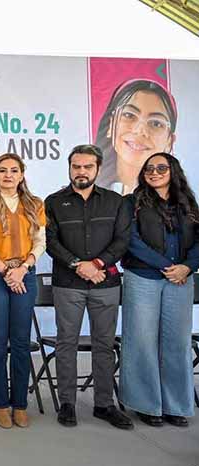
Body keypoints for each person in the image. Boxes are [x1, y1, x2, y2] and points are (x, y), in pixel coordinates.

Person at [45, 144, 133, 430]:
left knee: (104, 345)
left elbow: (122, 240)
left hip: (105, 283)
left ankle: (104, 404)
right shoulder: (53, 202)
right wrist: (77, 265)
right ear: (69, 168)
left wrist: (95, 264)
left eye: (87, 166)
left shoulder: (115, 201)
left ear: (98, 168)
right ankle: (67, 403)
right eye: (76, 166)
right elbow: (50, 242)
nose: (81, 171)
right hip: (68, 283)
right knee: (66, 343)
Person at [120, 152, 198, 428]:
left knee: (177, 343)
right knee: (141, 341)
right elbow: (130, 240)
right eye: (149, 168)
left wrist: (187, 267)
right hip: (143, 277)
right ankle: (147, 405)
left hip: (181, 280)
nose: (154, 172)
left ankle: (175, 405)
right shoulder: (132, 202)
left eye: (161, 168)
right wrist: (168, 266)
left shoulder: (187, 203)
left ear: (173, 171)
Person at [0, 153, 45, 429]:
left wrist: (22, 269)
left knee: (22, 342)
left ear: (22, 175)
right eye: (2, 170)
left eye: (14, 170)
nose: (8, 175)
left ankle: (20, 405)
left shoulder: (35, 204)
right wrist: (6, 272)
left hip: (25, 273)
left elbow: (40, 242)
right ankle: (1, 404)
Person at [95, 79, 177, 194]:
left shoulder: (176, 199)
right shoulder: (87, 191)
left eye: (156, 123)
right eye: (129, 115)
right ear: (110, 125)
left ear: (169, 141)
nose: (140, 130)